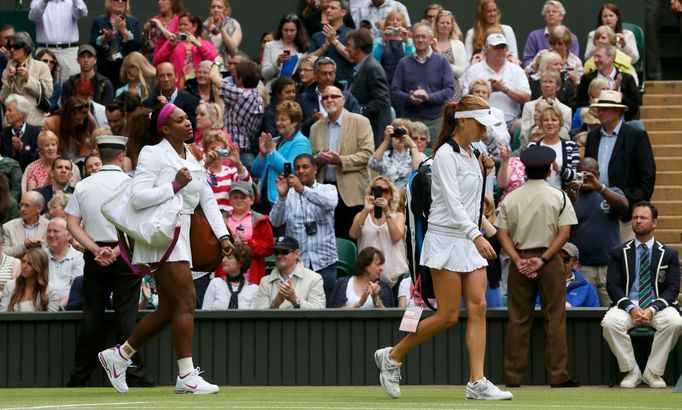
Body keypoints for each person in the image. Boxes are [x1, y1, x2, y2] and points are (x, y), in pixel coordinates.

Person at [373, 96, 512, 400]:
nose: (484, 131)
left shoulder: (475, 151)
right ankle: (393, 356)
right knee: (448, 315)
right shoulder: (445, 156)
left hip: (467, 238)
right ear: (463, 121)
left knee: (479, 307)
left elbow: (475, 200)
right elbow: (452, 202)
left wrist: (485, 169)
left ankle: (477, 382)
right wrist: (477, 236)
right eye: (479, 124)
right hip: (446, 240)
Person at [97, 104, 233, 394]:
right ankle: (185, 375)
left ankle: (119, 355)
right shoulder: (151, 153)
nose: (188, 122)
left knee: (172, 307)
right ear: (166, 128)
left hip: (181, 233)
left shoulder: (192, 154)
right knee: (186, 299)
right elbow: (137, 198)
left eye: (188, 117)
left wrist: (222, 235)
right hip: (161, 236)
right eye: (180, 119)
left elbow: (206, 197)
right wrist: (174, 185)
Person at [64, 135, 149, 387]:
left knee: (92, 316)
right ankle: (135, 375)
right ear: (122, 156)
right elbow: (139, 224)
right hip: (125, 255)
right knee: (127, 316)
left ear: (100, 156)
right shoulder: (133, 184)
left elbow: (71, 223)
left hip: (95, 256)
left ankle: (80, 377)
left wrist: (94, 249)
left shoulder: (84, 185)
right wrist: (116, 250)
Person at [496, 144, 580, 388]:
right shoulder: (558, 196)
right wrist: (542, 260)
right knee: (555, 318)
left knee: (518, 319)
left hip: (520, 260)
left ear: (525, 169)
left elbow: (502, 234)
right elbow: (564, 233)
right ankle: (558, 375)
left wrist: (518, 259)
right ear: (547, 171)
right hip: (550, 259)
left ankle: (512, 377)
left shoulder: (511, 198)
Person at [602, 202, 682, 389]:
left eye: (643, 218)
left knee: (675, 322)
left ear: (654, 223)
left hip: (658, 305)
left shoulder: (669, 253)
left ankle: (653, 372)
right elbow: (612, 286)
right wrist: (631, 308)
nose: (638, 221)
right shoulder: (618, 252)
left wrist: (653, 309)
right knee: (609, 323)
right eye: (635, 217)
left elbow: (672, 288)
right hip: (627, 304)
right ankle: (632, 371)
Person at [584, 90, 655, 243]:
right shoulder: (592, 137)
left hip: (625, 215)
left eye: (605, 108)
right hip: (598, 211)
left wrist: (629, 203)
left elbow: (647, 178)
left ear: (618, 111)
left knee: (626, 261)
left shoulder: (636, 136)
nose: (600, 112)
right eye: (599, 108)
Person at [270, 154, 338, 299]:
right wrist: (281, 197)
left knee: (326, 312)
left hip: (324, 262)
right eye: (298, 168)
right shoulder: (288, 195)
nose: (301, 171)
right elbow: (275, 221)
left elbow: (330, 203)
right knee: (297, 308)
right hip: (297, 264)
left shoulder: (328, 189)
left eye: (305, 167)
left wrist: (303, 190)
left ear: (315, 169)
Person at [309, 86, 373, 240]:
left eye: (334, 96)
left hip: (351, 192)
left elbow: (367, 155)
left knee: (352, 239)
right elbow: (312, 159)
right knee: (327, 239)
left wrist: (341, 160)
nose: (329, 100)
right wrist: (319, 158)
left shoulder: (360, 122)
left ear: (343, 100)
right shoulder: (315, 128)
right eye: (325, 97)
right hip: (325, 190)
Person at [566, 157, 628, 307]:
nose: (586, 178)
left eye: (590, 175)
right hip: (582, 267)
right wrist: (570, 201)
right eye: (581, 174)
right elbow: (561, 228)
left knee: (611, 312)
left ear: (598, 175)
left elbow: (624, 206)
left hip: (609, 267)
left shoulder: (611, 192)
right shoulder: (570, 196)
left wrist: (599, 187)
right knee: (584, 315)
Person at [391, 22, 454, 140]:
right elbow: (394, 91)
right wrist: (409, 98)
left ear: (431, 40)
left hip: (435, 121)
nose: (420, 40)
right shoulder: (404, 63)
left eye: (423, 36)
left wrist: (428, 97)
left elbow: (449, 89)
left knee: (434, 154)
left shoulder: (441, 62)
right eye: (417, 36)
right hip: (409, 121)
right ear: (412, 39)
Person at [461, 33, 530, 132]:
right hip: (480, 120)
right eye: (496, 47)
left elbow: (526, 97)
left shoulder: (517, 70)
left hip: (511, 122)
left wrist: (505, 89)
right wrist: (489, 90)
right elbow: (465, 100)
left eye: (503, 47)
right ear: (486, 50)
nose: (500, 50)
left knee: (522, 124)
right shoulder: (474, 70)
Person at [349, 176, 409, 289]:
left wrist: (387, 211)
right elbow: (353, 234)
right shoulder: (361, 215)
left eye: (384, 191)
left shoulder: (398, 216)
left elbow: (396, 237)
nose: (380, 194)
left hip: (394, 274)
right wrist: (366, 210)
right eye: (376, 190)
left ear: (390, 195)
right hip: (367, 275)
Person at [252, 101, 312, 212]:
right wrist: (262, 153)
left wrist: (272, 151)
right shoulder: (274, 141)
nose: (278, 123)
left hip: (283, 200)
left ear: (294, 122)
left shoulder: (301, 142)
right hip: (264, 199)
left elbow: (292, 170)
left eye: (283, 119)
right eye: (277, 119)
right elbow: (256, 171)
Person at [209, 59, 264, 171]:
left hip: (233, 154)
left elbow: (213, 76)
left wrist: (217, 61)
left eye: (235, 77)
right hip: (247, 152)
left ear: (240, 80)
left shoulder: (240, 94)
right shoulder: (258, 98)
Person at [346, 29, 391, 148]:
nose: (346, 48)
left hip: (373, 132)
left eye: (349, 45)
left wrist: (359, 111)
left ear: (358, 48)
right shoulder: (362, 67)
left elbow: (381, 99)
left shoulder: (372, 68)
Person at [253, 236, 326, 309]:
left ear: (296, 254)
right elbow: (260, 317)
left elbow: (319, 311)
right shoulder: (265, 282)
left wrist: (296, 300)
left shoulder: (314, 278)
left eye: (284, 252)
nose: (279, 256)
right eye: (276, 252)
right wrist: (275, 304)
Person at [223, 182, 273, 285]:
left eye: (243, 197)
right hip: (224, 274)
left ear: (252, 200)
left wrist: (251, 243)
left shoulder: (261, 220)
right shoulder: (221, 219)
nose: (239, 200)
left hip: (252, 277)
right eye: (235, 197)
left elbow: (269, 248)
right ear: (230, 200)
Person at [297, 56, 362, 137]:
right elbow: (297, 128)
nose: (328, 77)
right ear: (316, 76)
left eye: (331, 74)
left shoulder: (346, 97)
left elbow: (358, 121)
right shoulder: (303, 99)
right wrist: (312, 122)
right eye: (324, 74)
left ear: (335, 75)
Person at [0, 33, 53, 127]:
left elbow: (48, 93)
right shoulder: (7, 70)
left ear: (26, 47)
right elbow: (4, 99)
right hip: (11, 125)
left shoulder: (41, 67)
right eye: (10, 47)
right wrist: (9, 81)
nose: (12, 50)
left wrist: (28, 79)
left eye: (16, 46)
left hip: (34, 123)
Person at [153, 13, 218, 88]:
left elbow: (215, 60)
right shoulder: (173, 43)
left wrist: (198, 45)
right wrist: (170, 45)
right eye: (180, 25)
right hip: (177, 86)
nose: (181, 27)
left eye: (185, 24)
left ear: (195, 27)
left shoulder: (204, 43)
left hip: (199, 86)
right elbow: (156, 62)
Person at [29, 0, 88, 83]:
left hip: (69, 52)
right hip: (45, 51)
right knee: (42, 83)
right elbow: (33, 17)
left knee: (71, 86)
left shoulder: (71, 2)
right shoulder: (38, 1)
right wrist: (44, 2)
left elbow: (82, 14)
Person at [576, 45, 639, 121]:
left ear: (611, 58)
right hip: (592, 120)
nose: (595, 60)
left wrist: (618, 95)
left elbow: (634, 109)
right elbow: (580, 104)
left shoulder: (627, 79)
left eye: (599, 57)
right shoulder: (586, 79)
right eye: (594, 57)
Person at [89, 0, 141, 90]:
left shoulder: (132, 22)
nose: (120, 1)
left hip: (126, 69)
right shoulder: (99, 22)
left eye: (124, 0)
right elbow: (92, 45)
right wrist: (104, 39)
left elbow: (137, 46)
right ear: (109, 2)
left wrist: (124, 31)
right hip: (105, 67)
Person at [526, 103, 579, 190]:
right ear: (541, 124)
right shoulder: (533, 147)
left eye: (554, 120)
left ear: (560, 123)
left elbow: (576, 177)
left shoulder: (571, 146)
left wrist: (560, 170)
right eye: (546, 120)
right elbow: (527, 177)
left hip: (563, 197)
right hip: (539, 195)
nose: (550, 123)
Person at [329, 246, 394, 308]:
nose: (381, 268)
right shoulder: (343, 283)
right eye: (378, 264)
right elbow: (334, 313)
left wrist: (376, 298)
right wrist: (359, 304)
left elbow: (389, 317)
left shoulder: (384, 287)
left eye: (382, 264)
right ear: (365, 264)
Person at [202, 131, 250, 214]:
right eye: (213, 148)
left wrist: (238, 164)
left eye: (221, 150)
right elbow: (195, 182)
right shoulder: (202, 171)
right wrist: (207, 162)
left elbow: (247, 186)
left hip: (227, 216)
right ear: (205, 152)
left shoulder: (231, 172)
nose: (217, 152)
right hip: (207, 216)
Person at [142, 62, 200, 130]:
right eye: (161, 75)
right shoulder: (148, 104)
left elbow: (193, 128)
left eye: (169, 75)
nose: (166, 79)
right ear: (157, 79)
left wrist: (168, 108)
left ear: (176, 77)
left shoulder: (191, 100)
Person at [308, 0, 354, 85]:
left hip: (344, 85)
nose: (328, 10)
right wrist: (324, 47)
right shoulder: (317, 36)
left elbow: (352, 58)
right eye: (328, 7)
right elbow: (308, 61)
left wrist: (334, 41)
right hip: (320, 85)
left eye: (333, 8)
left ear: (343, 12)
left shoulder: (352, 34)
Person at [522, 0, 579, 67]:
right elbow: (527, 60)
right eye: (548, 12)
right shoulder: (534, 36)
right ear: (545, 16)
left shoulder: (572, 38)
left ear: (561, 16)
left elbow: (574, 62)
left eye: (554, 11)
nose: (551, 14)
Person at [0, 248, 59, 312]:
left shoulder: (49, 290)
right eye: (23, 262)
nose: (24, 266)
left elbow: (53, 319)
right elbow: (3, 316)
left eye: (29, 264)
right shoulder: (10, 286)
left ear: (38, 267)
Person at [369, 120, 423, 188]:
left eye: (402, 133)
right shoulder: (385, 156)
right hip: (389, 195)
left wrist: (412, 145)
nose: (398, 137)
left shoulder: (416, 155)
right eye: (396, 133)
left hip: (409, 196)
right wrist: (386, 140)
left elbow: (420, 170)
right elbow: (372, 164)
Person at [44, 96, 97, 165]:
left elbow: (94, 139)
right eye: (78, 119)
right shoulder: (52, 123)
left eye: (83, 119)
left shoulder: (88, 121)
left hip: (80, 162)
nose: (82, 122)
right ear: (68, 116)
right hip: (58, 163)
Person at [202, 244, 257, 310]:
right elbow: (205, 311)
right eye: (224, 257)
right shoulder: (215, 283)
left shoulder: (254, 290)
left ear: (240, 262)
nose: (223, 260)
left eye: (229, 258)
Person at [44, 217, 83, 308]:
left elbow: (76, 290)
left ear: (69, 235)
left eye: (56, 231)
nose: (51, 235)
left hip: (69, 311)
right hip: (41, 309)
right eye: (49, 231)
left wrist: (57, 308)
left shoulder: (79, 257)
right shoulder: (41, 256)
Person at [546, 242, 600, 308]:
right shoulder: (543, 284)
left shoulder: (588, 288)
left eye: (565, 260)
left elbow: (593, 315)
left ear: (575, 264)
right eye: (556, 259)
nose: (560, 263)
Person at [371, 9, 414, 86]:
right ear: (387, 23)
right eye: (391, 20)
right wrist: (383, 41)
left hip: (403, 81)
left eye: (398, 20)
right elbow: (374, 60)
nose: (395, 22)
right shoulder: (378, 40)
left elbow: (412, 62)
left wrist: (406, 42)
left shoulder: (410, 42)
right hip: (382, 80)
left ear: (403, 23)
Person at [262, 13, 308, 84]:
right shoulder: (270, 46)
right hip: (273, 90)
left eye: (292, 30)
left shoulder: (303, 48)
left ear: (298, 31)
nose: (288, 33)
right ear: (281, 29)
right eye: (286, 30)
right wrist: (277, 63)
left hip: (295, 90)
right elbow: (265, 75)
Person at [431, 10, 467, 101]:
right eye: (442, 22)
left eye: (448, 23)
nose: (445, 25)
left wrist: (441, 57)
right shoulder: (429, 43)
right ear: (436, 24)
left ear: (452, 25)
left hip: (452, 89)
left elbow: (460, 72)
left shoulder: (458, 44)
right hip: (432, 88)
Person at [2, 192, 49, 258]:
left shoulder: (49, 226)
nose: (22, 209)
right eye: (21, 205)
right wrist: (24, 246)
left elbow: (55, 252)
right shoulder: (8, 227)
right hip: (17, 267)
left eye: (27, 205)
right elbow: (3, 254)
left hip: (42, 267)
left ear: (39, 208)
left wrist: (39, 247)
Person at [1, 94, 41, 171]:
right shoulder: (3, 135)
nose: (6, 114)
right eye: (6, 110)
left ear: (21, 114)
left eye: (10, 110)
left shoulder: (36, 133)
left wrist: (21, 150)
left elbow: (37, 161)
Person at [202, 0, 242, 70]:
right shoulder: (205, 24)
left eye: (219, 7)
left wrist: (222, 30)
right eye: (213, 7)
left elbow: (233, 48)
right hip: (207, 66)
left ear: (226, 10)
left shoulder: (233, 24)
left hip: (226, 66)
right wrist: (207, 31)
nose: (216, 9)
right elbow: (200, 45)